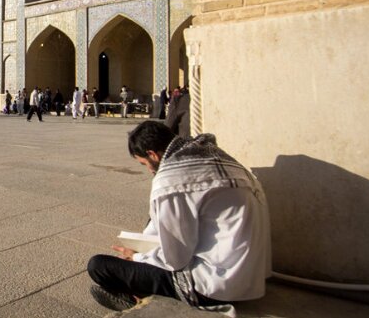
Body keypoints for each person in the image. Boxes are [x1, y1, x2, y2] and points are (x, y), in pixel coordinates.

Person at [87, 121, 271, 314]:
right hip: (251, 278)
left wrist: (138, 257)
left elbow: (176, 259)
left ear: (152, 154)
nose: (149, 170)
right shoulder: (216, 157)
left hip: (215, 285)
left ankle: (136, 299)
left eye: (144, 164)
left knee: (99, 266)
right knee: (155, 219)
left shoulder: (172, 179)